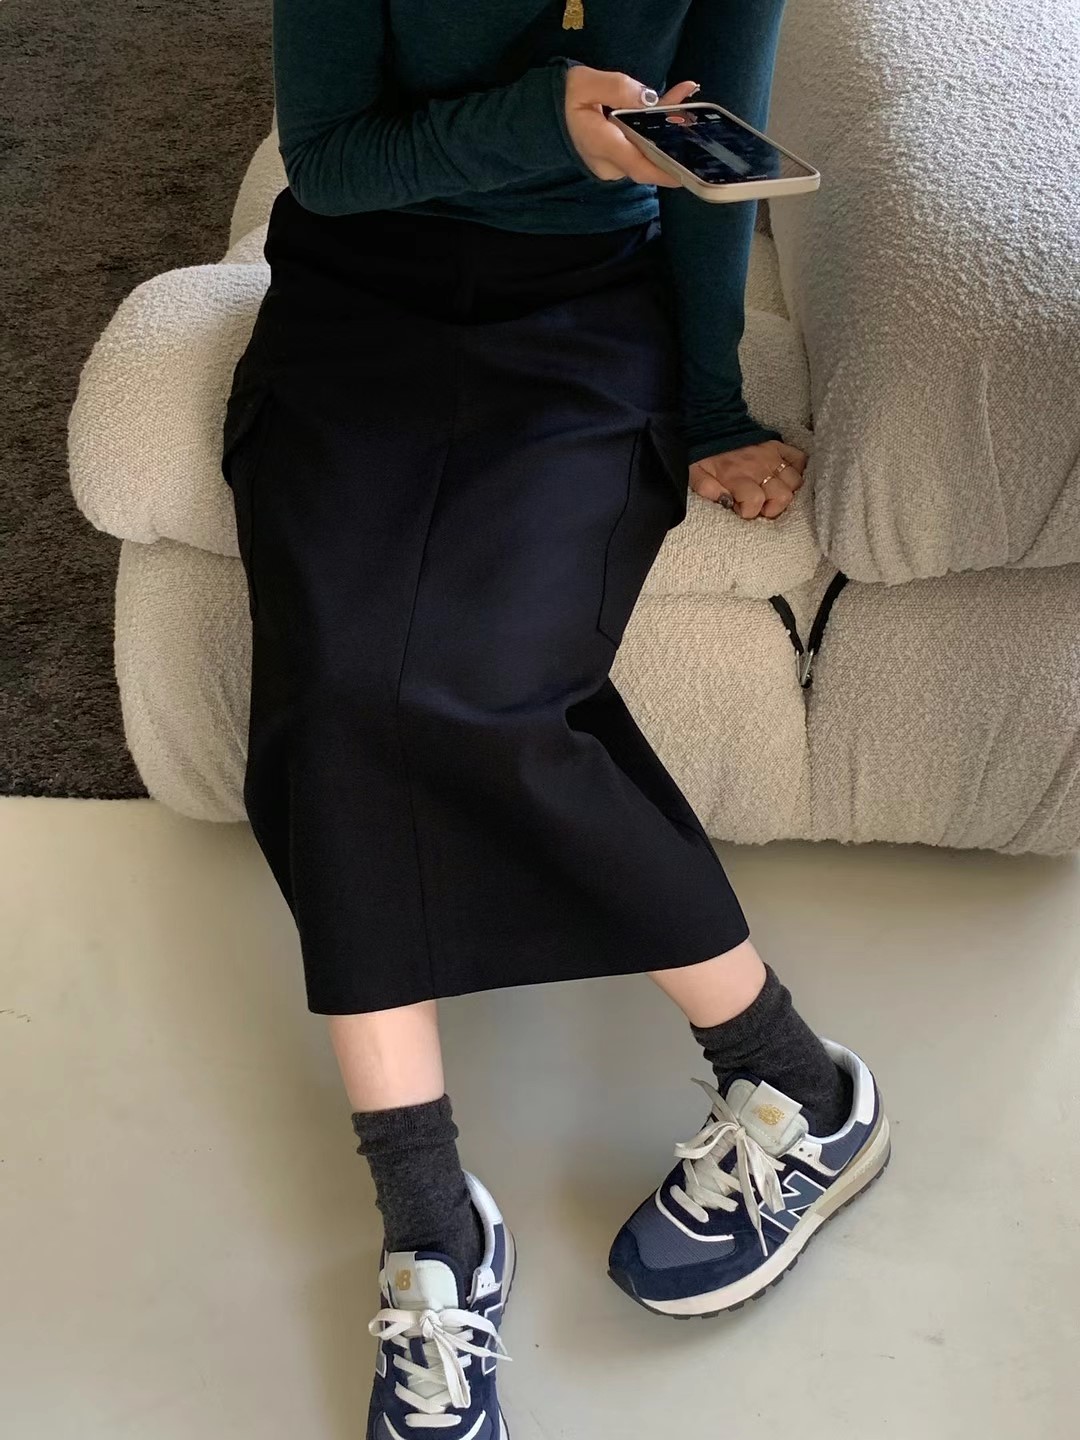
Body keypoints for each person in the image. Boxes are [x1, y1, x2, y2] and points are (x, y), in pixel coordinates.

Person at [220, 3, 890, 1434]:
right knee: (337, 689)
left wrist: (713, 406)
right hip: (355, 303)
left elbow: (712, 168)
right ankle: (430, 1229)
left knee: (479, 687)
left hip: (585, 315)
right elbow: (329, 160)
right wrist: (546, 120)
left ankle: (802, 1091)